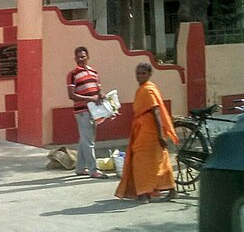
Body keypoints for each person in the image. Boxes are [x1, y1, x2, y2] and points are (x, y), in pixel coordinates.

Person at [115, 62, 179, 203]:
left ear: (149, 75)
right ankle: (169, 189)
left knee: (143, 161)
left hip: (150, 131)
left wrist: (160, 134)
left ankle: (145, 193)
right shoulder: (143, 89)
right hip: (142, 129)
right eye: (138, 73)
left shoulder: (149, 89)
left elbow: (156, 111)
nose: (140, 76)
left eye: (143, 73)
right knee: (157, 161)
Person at [67, 46, 108, 179]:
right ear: (75, 59)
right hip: (82, 111)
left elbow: (99, 89)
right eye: (78, 57)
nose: (81, 59)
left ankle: (80, 168)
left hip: (94, 111)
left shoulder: (94, 72)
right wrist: (90, 99)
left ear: (88, 57)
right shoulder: (72, 74)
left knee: (85, 140)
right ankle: (93, 170)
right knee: (89, 141)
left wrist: (102, 95)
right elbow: (71, 95)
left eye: (83, 56)